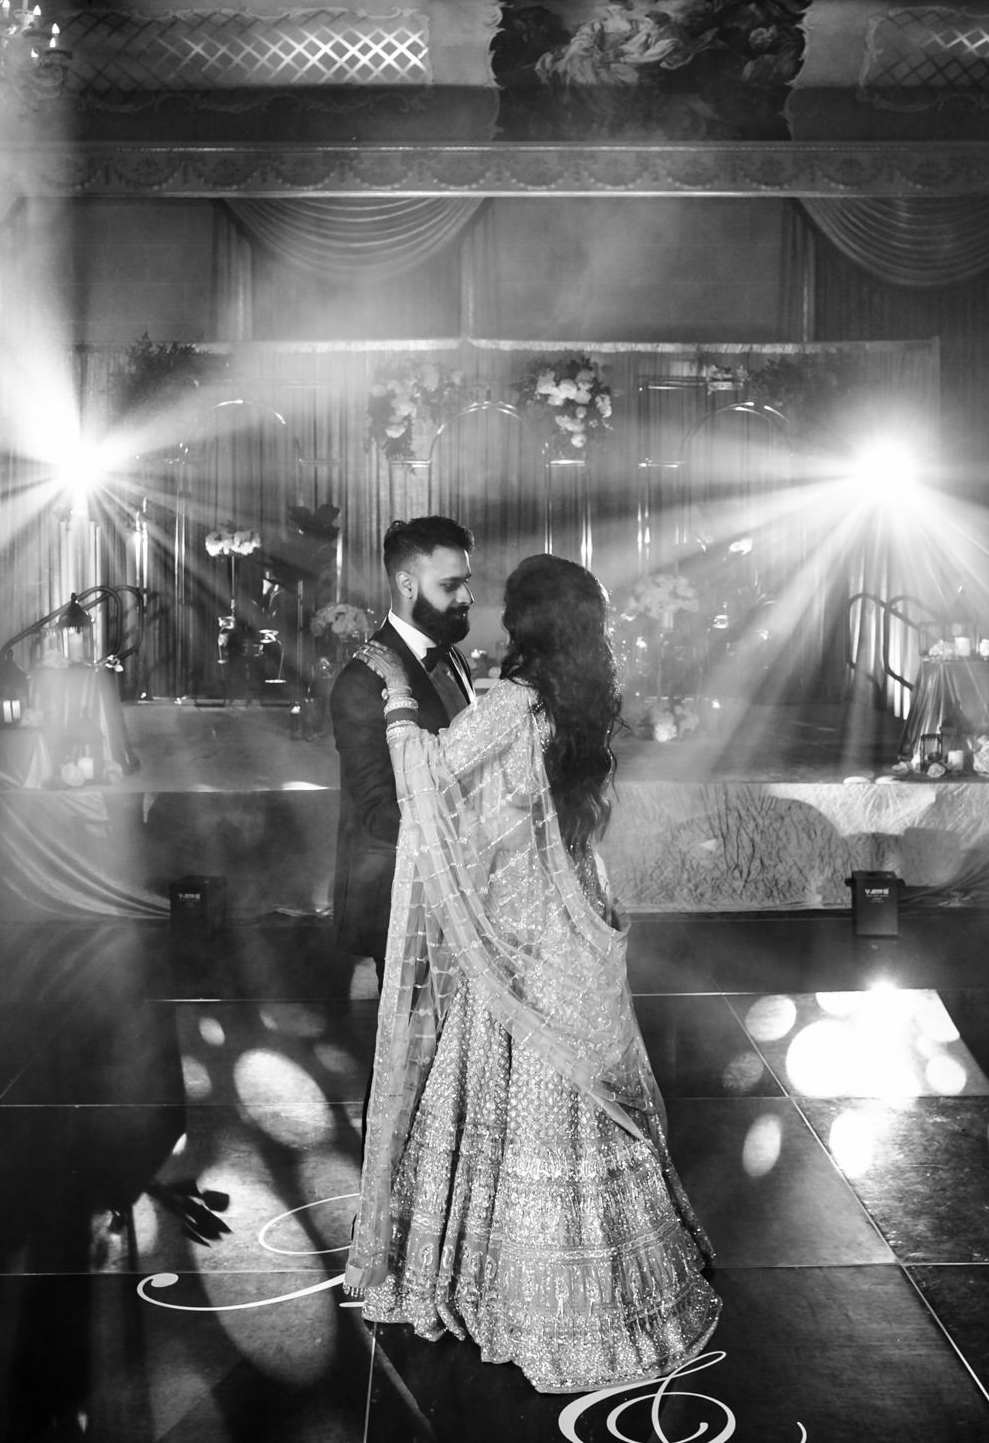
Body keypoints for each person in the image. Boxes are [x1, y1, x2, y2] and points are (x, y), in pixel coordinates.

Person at [344, 553, 719, 1394]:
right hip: (572, 919)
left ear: (525, 624)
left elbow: (430, 778)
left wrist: (397, 701)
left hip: (520, 934)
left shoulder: (514, 703)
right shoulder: (584, 705)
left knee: (522, 1099)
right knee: (574, 1097)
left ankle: (525, 1296)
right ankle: (618, 1289)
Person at [330, 517, 477, 978]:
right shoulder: (363, 679)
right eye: (451, 585)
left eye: (465, 583)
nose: (467, 598)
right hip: (399, 894)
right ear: (407, 584)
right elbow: (377, 811)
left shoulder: (451, 653)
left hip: (458, 886)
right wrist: (478, 833)